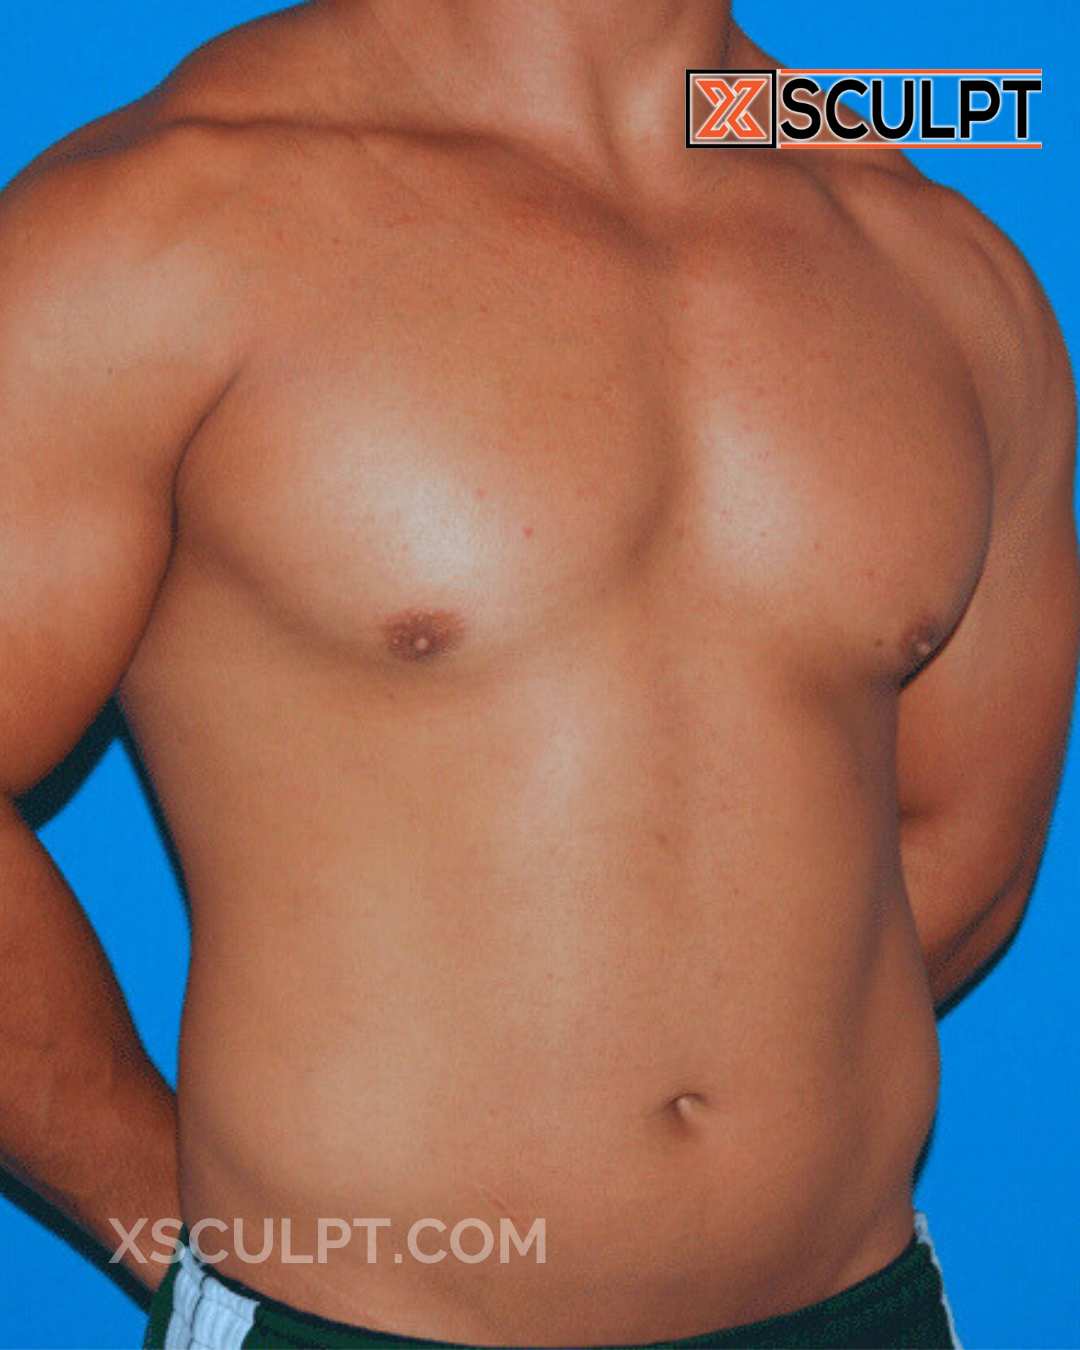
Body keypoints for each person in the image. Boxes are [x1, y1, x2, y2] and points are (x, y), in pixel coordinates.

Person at [1, 2, 1076, 1347]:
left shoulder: (942, 270)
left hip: (862, 1312)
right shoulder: (156, 226)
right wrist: (191, 1239)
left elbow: (966, 846)